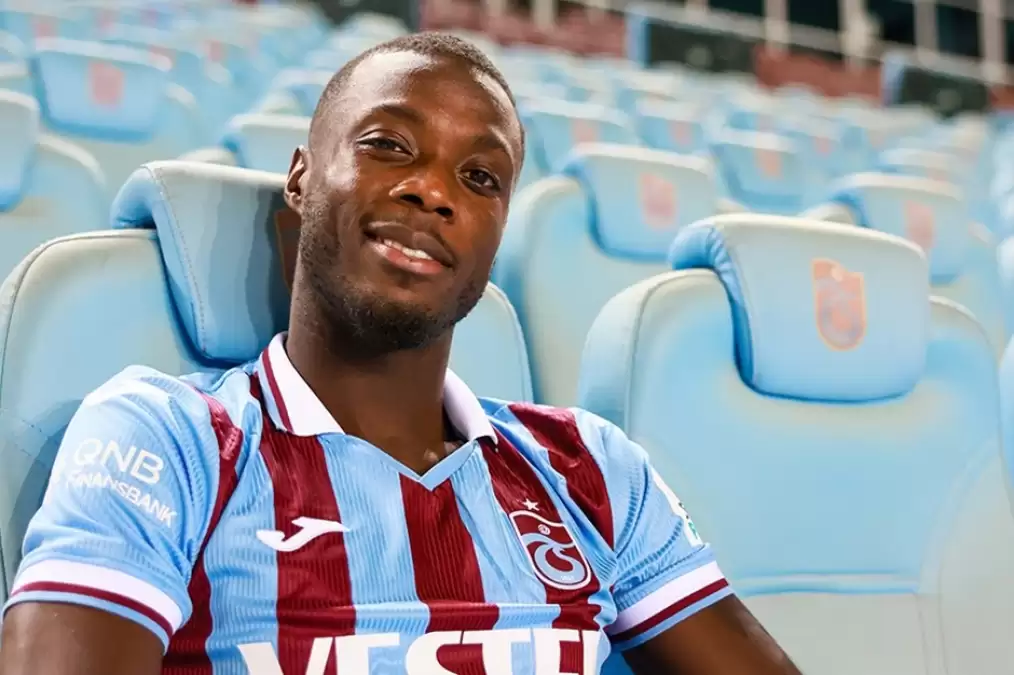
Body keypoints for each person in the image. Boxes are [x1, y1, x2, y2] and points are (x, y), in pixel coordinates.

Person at [0, 33, 802, 675]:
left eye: (481, 177)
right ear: (301, 179)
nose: (435, 190)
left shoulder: (592, 467)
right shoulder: (168, 437)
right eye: (389, 144)